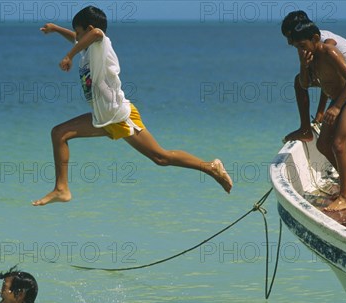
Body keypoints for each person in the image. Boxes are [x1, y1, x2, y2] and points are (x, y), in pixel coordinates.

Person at [32, 6, 232, 206]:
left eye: (78, 31)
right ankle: (61, 189)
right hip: (102, 118)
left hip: (119, 115)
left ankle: (210, 167)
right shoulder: (88, 49)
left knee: (160, 157)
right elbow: (78, 39)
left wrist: (69, 56)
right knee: (59, 133)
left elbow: (94, 33)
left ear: (90, 28)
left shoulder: (101, 42)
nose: (76, 37)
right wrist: (57, 29)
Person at [281, 10, 346, 187]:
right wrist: (321, 111)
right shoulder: (306, 44)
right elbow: (324, 80)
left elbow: (331, 74)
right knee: (300, 81)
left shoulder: (323, 41)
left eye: (289, 36)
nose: (289, 42)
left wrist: (330, 108)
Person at [291, 20, 346, 211]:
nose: (300, 50)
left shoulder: (328, 51)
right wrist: (302, 65)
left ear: (315, 39)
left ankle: (345, 196)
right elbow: (305, 84)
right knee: (322, 144)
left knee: (338, 144)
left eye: (302, 46)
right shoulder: (310, 58)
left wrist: (337, 107)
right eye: (296, 48)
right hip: (337, 101)